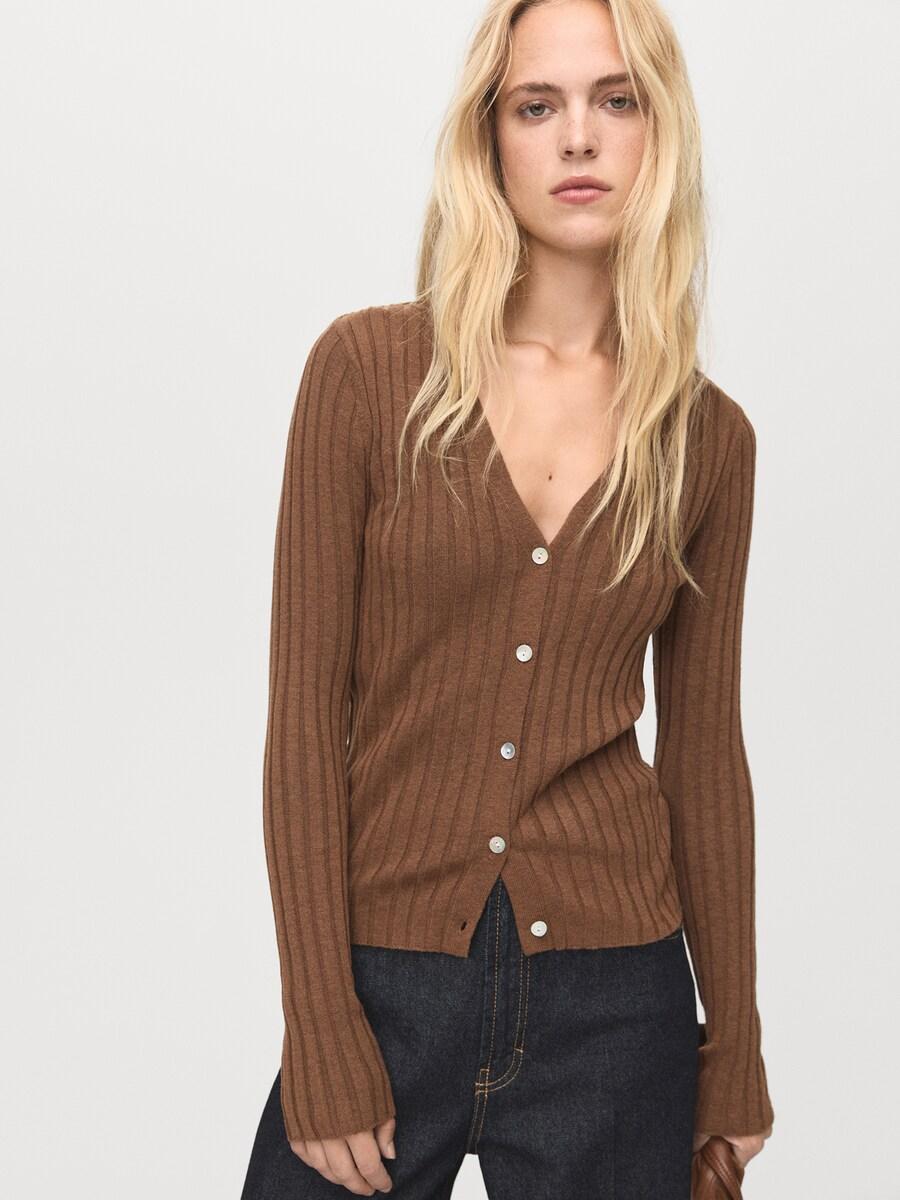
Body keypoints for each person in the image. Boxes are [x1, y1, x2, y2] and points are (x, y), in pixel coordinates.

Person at [241, 0, 775, 1196]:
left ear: (660, 131)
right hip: (387, 986)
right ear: (490, 139)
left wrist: (733, 1047)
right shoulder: (367, 375)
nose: (579, 137)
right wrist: (319, 1023)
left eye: (616, 100)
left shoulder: (707, 439)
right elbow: (305, 724)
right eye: (539, 106)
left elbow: (704, 757)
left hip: (618, 1001)